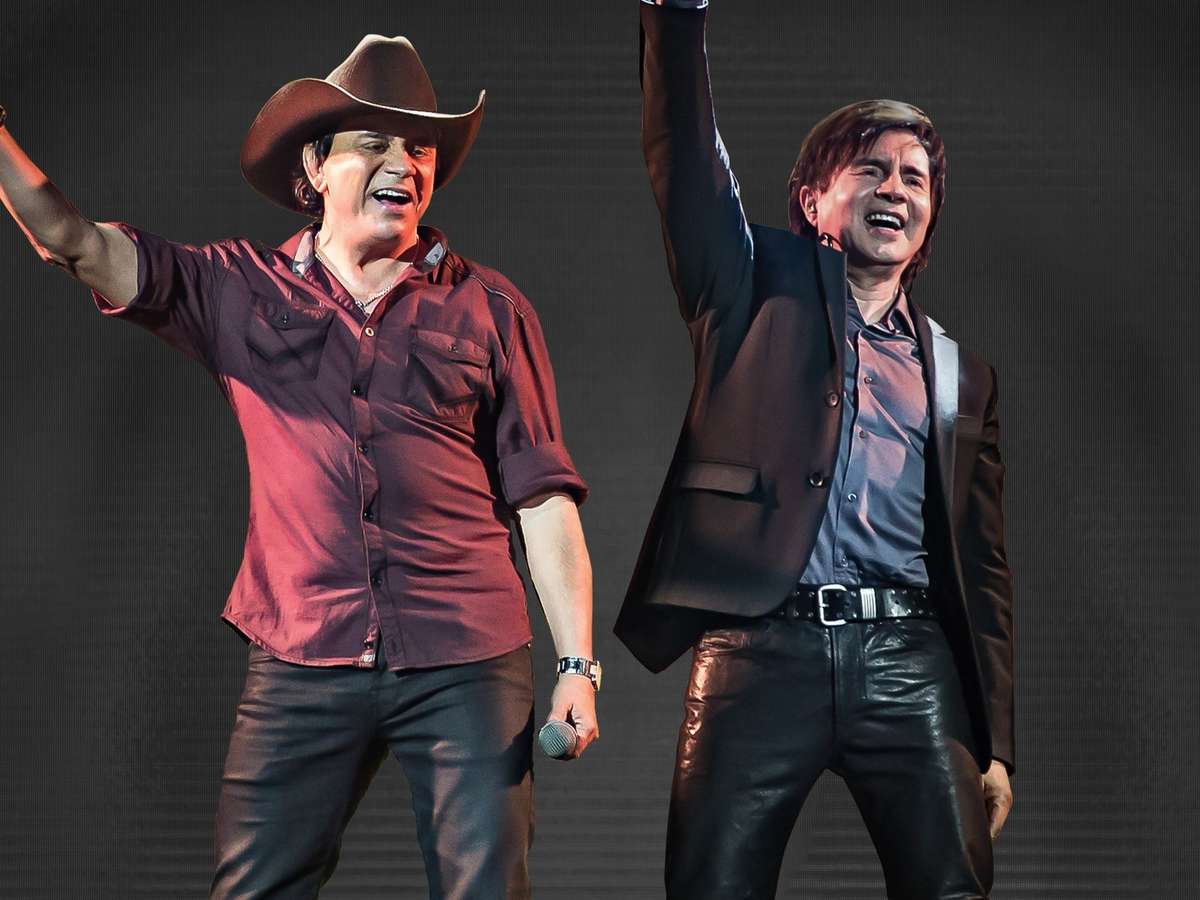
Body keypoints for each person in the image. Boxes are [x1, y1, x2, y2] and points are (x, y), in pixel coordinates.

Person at [0, 34, 600, 899]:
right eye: (374, 144)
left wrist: (578, 665)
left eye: (420, 149)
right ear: (315, 167)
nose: (403, 164)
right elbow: (72, 242)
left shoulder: (491, 308)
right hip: (302, 650)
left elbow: (544, 500)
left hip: (465, 658)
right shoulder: (238, 288)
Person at [615, 3, 1014, 898]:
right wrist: (677, 17)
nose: (896, 188)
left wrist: (996, 741)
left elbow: (984, 567)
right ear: (812, 200)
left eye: (915, 177)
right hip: (759, 648)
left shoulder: (962, 374)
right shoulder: (748, 284)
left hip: (910, 660)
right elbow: (685, 151)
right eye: (871, 168)